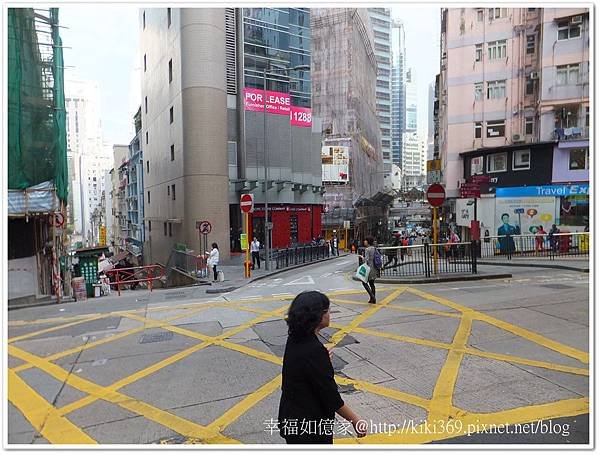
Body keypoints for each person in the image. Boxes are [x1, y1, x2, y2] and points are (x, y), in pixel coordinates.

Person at [278, 291, 366, 444]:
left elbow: (303, 367)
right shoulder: (314, 351)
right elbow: (330, 396)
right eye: (327, 310)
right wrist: (355, 421)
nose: (329, 313)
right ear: (317, 316)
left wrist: (322, 358)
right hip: (309, 427)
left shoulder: (295, 338)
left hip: (291, 417)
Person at [358, 237, 377, 304]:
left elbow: (366, 260)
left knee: (364, 282)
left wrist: (361, 257)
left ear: (368, 241)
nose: (364, 242)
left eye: (365, 240)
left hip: (368, 268)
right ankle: (372, 298)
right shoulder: (374, 248)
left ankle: (372, 297)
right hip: (374, 268)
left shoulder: (367, 249)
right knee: (372, 283)